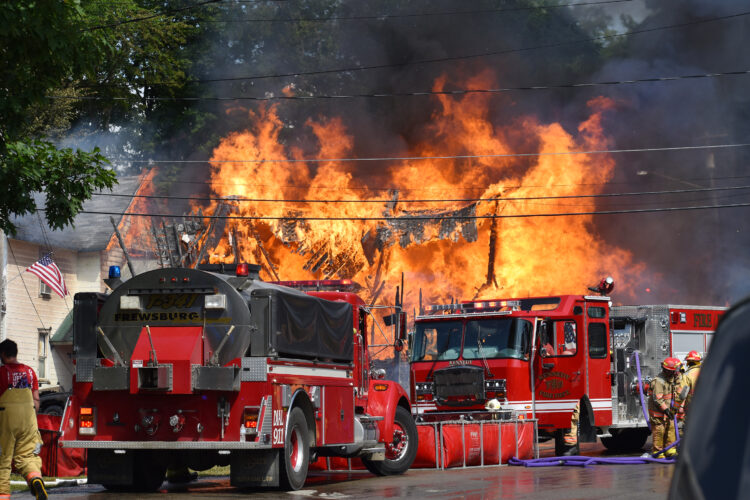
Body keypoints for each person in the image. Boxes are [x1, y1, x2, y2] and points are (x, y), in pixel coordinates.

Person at [0, 339, 47, 500]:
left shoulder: (2, 372)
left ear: (3, 354)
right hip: (28, 419)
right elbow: (36, 400)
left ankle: (3, 495)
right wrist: (31, 420)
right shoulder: (30, 372)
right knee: (26, 457)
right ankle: (35, 479)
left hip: (7, 420)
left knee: (3, 460)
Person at [648, 357, 682, 458]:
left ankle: (670, 449)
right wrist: (666, 410)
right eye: (675, 370)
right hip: (658, 412)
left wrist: (674, 409)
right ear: (668, 371)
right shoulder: (659, 381)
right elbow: (658, 399)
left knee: (670, 429)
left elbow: (677, 394)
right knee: (660, 431)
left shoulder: (672, 379)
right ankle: (658, 452)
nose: (677, 372)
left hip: (668, 411)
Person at [676, 351, 702, 427]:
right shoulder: (707, 371)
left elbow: (682, 394)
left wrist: (679, 406)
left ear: (689, 362)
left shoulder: (687, 375)